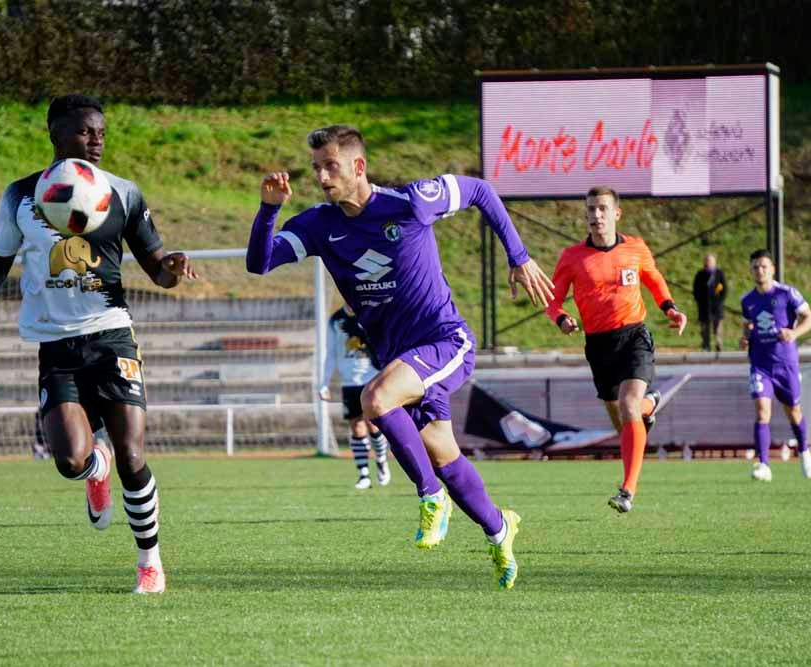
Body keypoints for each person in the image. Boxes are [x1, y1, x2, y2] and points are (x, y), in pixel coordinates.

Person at [246, 124, 554, 590]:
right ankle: (498, 527)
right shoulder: (318, 225)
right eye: (315, 168)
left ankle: (430, 497)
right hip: (399, 358)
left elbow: (480, 191)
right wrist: (269, 210)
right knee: (445, 457)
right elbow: (260, 261)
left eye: (331, 165)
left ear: (358, 166)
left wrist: (519, 256)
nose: (322, 176)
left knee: (376, 399)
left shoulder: (412, 202)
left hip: (445, 341)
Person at [0, 94, 196, 594]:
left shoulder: (123, 193)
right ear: (56, 135)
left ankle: (150, 562)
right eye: (85, 131)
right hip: (55, 346)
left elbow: (157, 267)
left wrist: (169, 268)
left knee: (131, 451)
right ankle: (93, 468)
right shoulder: (20, 195)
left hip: (111, 335)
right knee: (69, 461)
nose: (96, 139)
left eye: (101, 131)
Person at [545, 186, 687, 514]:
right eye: (591, 209)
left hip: (634, 336)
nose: (596, 215)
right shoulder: (572, 257)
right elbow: (553, 299)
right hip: (598, 345)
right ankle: (650, 405)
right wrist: (562, 318)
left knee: (628, 405)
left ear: (616, 213)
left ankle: (627, 491)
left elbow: (654, 280)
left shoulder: (635, 248)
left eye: (602, 209)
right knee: (623, 419)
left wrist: (671, 309)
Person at [739, 249, 811, 481]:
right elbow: (747, 325)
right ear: (751, 270)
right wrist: (745, 337)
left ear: (772, 269)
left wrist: (795, 332)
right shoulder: (747, 300)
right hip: (760, 364)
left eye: (763, 266)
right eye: (755, 267)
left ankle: (804, 452)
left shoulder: (787, 293)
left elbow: (808, 316)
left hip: (785, 363)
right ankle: (763, 464)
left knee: (794, 412)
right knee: (762, 410)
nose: (759, 270)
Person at [319, 303, 391, 489]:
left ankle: (381, 460)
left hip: (372, 378)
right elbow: (331, 353)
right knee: (356, 426)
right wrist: (324, 383)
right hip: (349, 381)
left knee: (373, 425)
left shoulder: (371, 313)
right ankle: (364, 474)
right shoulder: (336, 320)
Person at [692, 253, 728, 352]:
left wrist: (719, 301)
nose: (708, 263)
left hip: (717, 306)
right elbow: (695, 289)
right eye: (707, 261)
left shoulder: (719, 273)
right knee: (704, 328)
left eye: (710, 261)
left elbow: (724, 289)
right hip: (704, 306)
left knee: (718, 328)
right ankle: (705, 345)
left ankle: (719, 345)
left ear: (715, 262)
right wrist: (699, 300)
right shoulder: (700, 274)